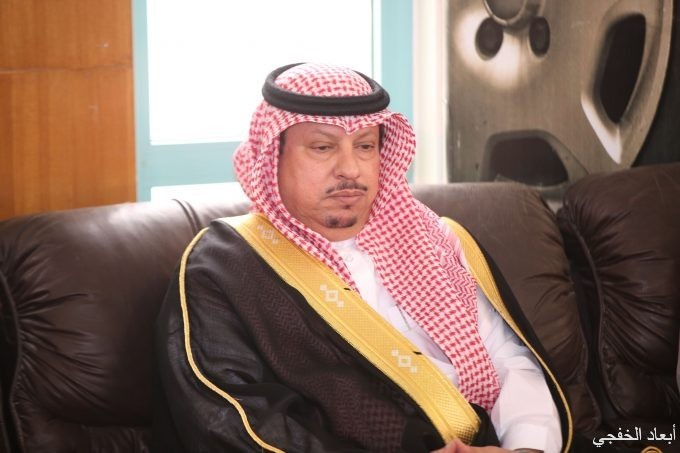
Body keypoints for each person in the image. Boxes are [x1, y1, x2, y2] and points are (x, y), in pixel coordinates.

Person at [153, 63, 570, 452]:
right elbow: (233, 420)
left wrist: (527, 447)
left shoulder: (437, 238)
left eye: (366, 146)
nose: (350, 169)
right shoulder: (224, 267)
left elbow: (508, 359)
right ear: (272, 157)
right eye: (322, 147)